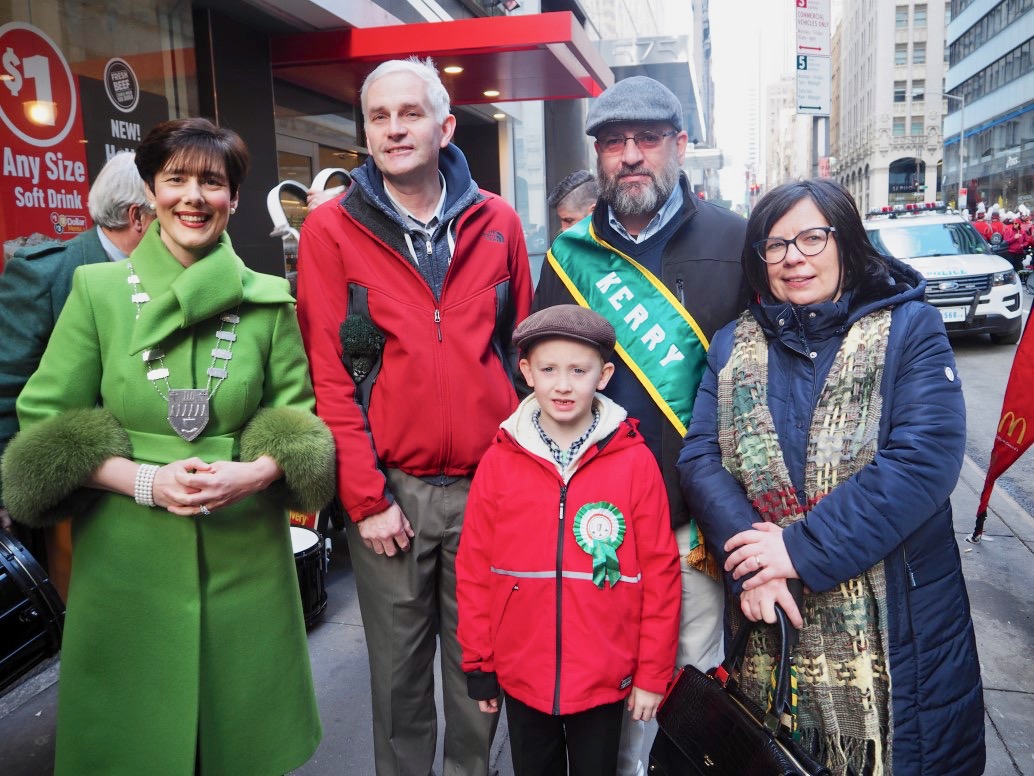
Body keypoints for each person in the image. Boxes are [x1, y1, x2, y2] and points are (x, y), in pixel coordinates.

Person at [1, 118, 334, 775]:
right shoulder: (95, 293)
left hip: (245, 555)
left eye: (211, 182)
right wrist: (142, 481)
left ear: (234, 199)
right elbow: (44, 420)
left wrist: (254, 473)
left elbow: (300, 419)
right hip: (126, 558)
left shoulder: (269, 303)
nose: (193, 196)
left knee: (241, 746)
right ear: (150, 194)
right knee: (134, 747)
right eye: (175, 179)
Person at [676, 178, 985, 775]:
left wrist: (796, 550)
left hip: (903, 628)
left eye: (812, 238)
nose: (793, 257)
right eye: (775, 244)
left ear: (847, 242)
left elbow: (923, 460)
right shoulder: (731, 345)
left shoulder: (909, 330)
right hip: (769, 621)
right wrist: (755, 565)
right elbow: (700, 458)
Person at [296, 56, 533, 776]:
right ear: (365, 132)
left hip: (489, 488)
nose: (395, 128)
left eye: (410, 113)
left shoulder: (498, 222)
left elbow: (522, 356)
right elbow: (331, 377)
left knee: (479, 672)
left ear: (445, 125)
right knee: (399, 681)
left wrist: (519, 479)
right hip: (389, 492)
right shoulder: (330, 232)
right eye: (379, 116)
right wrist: (365, 501)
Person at [532, 75, 749, 773]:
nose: (630, 155)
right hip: (597, 526)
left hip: (692, 529)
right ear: (598, 156)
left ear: (679, 146)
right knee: (605, 695)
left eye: (647, 139)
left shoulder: (736, 242)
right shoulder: (568, 256)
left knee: (685, 694)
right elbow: (537, 379)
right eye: (613, 142)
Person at [456, 305, 680, 776]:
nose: (563, 385)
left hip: (604, 676)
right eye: (549, 369)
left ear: (604, 375)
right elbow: (475, 569)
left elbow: (660, 574)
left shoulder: (634, 461)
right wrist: (480, 661)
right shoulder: (499, 460)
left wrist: (652, 673)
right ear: (526, 372)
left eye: (579, 370)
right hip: (522, 672)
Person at [0, 151, 154, 571]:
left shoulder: (170, 273)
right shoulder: (46, 274)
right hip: (80, 500)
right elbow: (6, 387)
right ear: (137, 216)